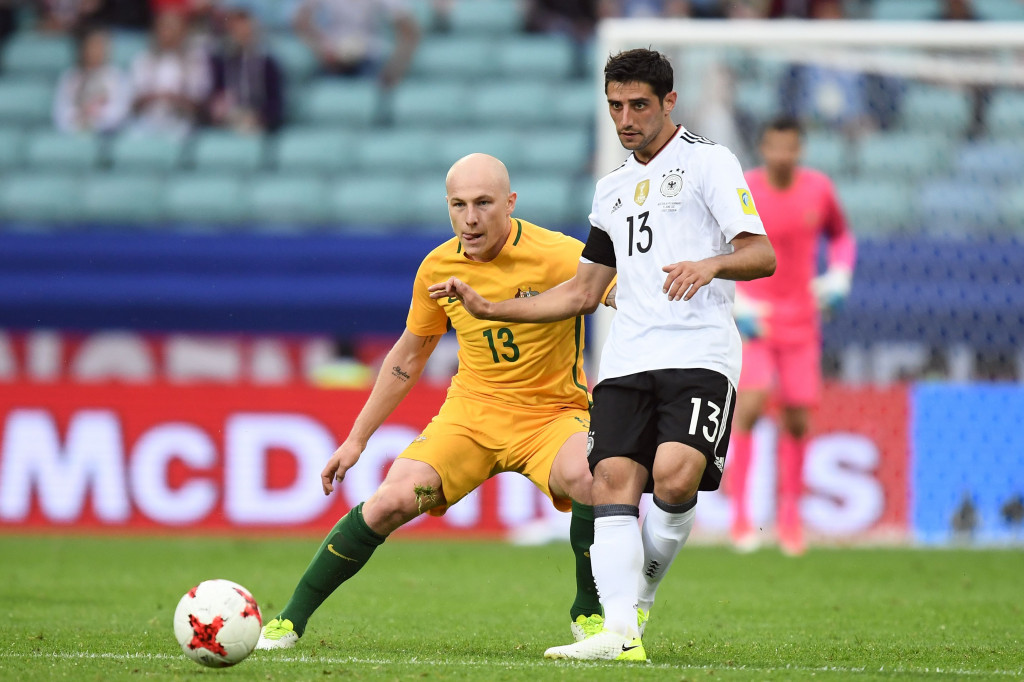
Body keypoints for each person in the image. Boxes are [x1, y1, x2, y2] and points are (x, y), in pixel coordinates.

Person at [430, 48, 776, 662]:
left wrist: (711, 263)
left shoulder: (708, 164)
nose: (624, 118)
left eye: (638, 105)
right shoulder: (611, 188)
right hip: (626, 358)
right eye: (615, 105)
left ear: (669, 102)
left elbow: (760, 254)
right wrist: (491, 308)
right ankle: (618, 634)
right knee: (610, 480)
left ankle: (636, 603)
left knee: (674, 477)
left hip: (699, 351)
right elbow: (585, 291)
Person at [255, 153, 612, 651]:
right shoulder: (437, 267)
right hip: (470, 418)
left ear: (510, 203)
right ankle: (289, 622)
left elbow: (626, 296)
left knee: (593, 478)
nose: (470, 218)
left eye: (484, 203)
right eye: (459, 205)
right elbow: (410, 354)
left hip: (551, 416)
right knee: (388, 503)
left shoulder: (561, 255)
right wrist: (357, 438)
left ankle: (589, 613)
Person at [727, 115, 856, 556]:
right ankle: (741, 518)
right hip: (758, 317)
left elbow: (841, 236)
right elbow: (720, 241)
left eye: (790, 147)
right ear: (764, 147)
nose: (782, 155)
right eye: (774, 146)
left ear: (799, 149)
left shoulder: (818, 189)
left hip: (802, 318)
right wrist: (737, 300)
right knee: (755, 399)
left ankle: (790, 520)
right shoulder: (746, 188)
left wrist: (839, 275)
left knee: (798, 416)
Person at [293, 0, 419, 87]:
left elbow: (409, 29)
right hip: (333, 57)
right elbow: (301, 21)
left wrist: (395, 68)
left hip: (369, 57)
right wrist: (322, 48)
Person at [128, 8, 210, 138]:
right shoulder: (143, 59)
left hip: (182, 122)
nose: (168, 33)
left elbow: (199, 100)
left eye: (173, 28)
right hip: (147, 122)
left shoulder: (195, 60)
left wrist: (175, 98)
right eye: (164, 28)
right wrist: (154, 97)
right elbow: (133, 101)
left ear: (182, 32)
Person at [206, 1, 284, 134]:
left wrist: (258, 118)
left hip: (257, 122)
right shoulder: (220, 62)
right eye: (235, 28)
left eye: (244, 27)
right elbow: (213, 95)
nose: (240, 33)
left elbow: (275, 104)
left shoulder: (267, 64)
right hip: (228, 122)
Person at [52, 25, 131, 134]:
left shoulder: (116, 76)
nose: (96, 50)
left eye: (100, 46)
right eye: (92, 45)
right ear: (83, 48)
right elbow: (61, 113)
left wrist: (95, 122)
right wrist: (79, 122)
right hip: (73, 134)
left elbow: (119, 111)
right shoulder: (70, 77)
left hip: (106, 135)